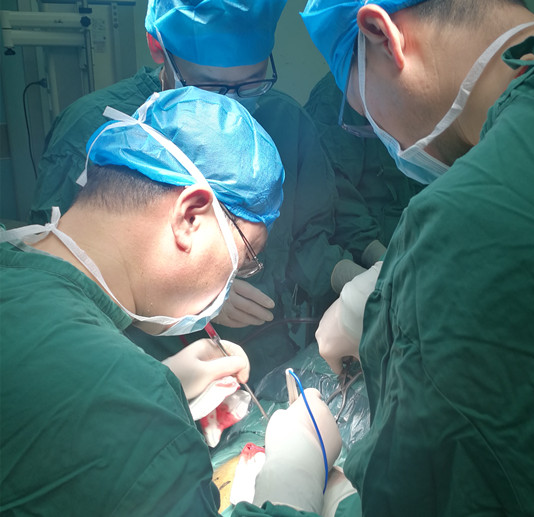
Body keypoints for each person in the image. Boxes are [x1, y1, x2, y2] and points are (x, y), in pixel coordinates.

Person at [251, 0, 534, 515]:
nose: (387, 139)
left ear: (381, 33)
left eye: (365, 112)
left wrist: (304, 493)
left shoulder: (460, 224)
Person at [0, 86, 343, 516]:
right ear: (190, 217)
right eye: (243, 261)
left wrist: (166, 382)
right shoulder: (142, 416)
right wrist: (296, 486)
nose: (229, 286)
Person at [29, 0, 355, 386]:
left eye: (251, 84)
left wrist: (352, 279)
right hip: (138, 364)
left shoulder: (286, 122)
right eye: (208, 87)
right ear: (158, 49)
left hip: (268, 356)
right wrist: (197, 291)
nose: (229, 105)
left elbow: (311, 239)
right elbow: (67, 274)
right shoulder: (88, 127)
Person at [304, 71, 424, 268]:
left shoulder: (418, 87)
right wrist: (381, 259)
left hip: (422, 248)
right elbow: (336, 198)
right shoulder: (337, 96)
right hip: (371, 258)